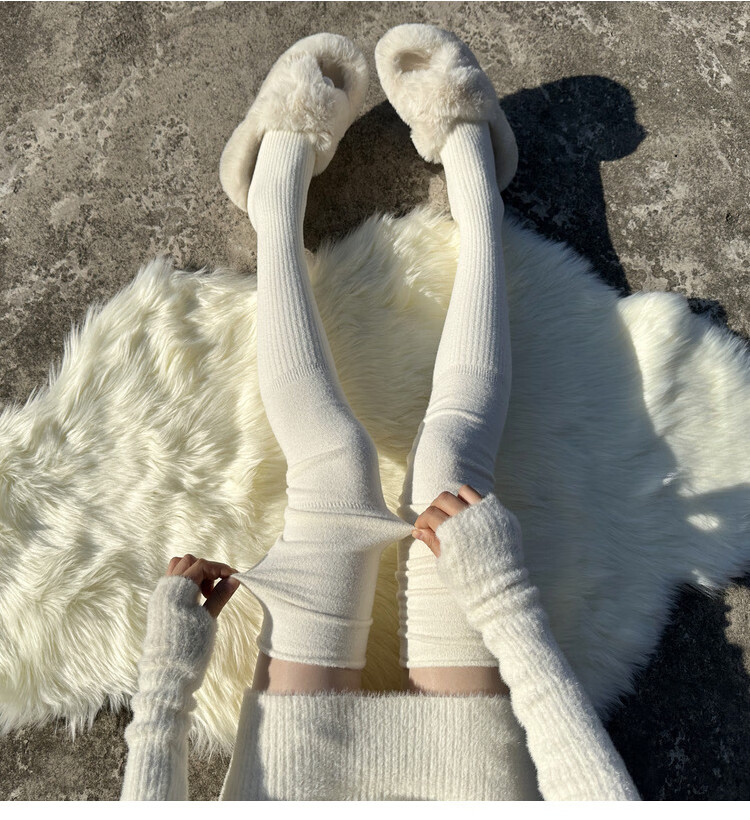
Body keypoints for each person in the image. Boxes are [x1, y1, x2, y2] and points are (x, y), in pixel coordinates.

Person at [120, 24, 640, 801]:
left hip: (290, 786)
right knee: (450, 470)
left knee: (335, 464)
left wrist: (167, 682)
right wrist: (505, 606)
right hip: (468, 784)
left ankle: (275, 194)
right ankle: (473, 174)